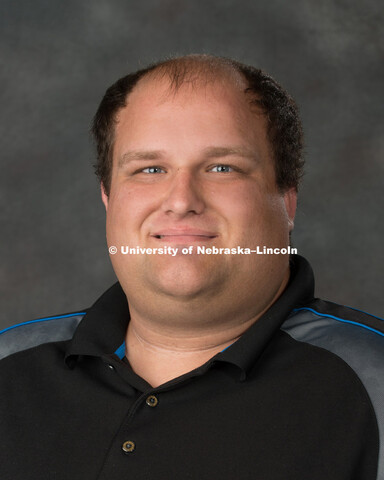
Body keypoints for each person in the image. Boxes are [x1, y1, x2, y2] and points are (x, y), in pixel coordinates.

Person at [0, 54, 383, 480]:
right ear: (108, 198)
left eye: (222, 167)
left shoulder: (373, 381)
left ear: (287, 199)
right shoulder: (10, 366)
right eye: (150, 168)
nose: (181, 200)